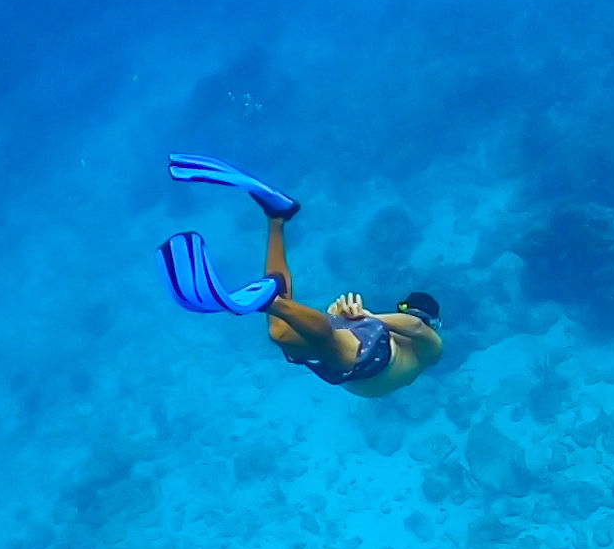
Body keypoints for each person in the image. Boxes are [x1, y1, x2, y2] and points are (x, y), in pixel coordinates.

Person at [158, 154, 442, 398]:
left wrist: (354, 319)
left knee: (279, 333)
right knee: (331, 344)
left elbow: (416, 325)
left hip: (350, 365)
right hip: (371, 358)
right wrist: (366, 317)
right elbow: (416, 326)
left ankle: (277, 217)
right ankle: (271, 301)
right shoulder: (424, 346)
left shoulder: (426, 348)